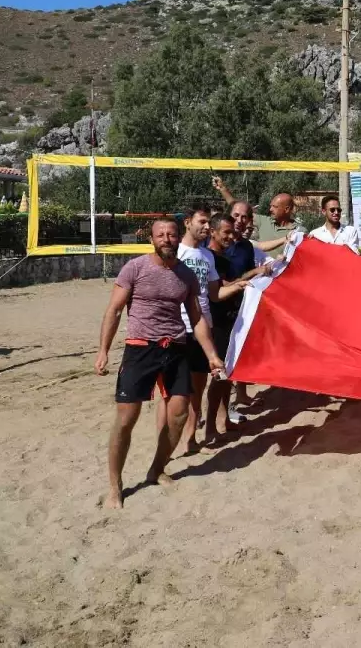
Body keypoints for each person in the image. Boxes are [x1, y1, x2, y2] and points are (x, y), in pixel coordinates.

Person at [95, 219, 224, 509]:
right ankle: (115, 486)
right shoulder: (136, 268)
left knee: (178, 414)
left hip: (175, 348)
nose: (166, 238)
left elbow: (196, 318)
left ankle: (157, 469)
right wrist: (103, 350)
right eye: (160, 234)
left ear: (179, 237)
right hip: (140, 349)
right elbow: (114, 310)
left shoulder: (186, 275)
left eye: (171, 234)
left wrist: (212, 354)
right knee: (127, 418)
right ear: (151, 238)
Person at [176, 205, 249, 454]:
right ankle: (172, 443)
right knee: (178, 392)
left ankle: (190, 438)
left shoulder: (206, 258)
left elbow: (215, 294)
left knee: (198, 387)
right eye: (203, 222)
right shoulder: (176, 252)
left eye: (208, 223)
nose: (207, 227)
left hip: (202, 328)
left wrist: (241, 285)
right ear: (188, 222)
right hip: (177, 328)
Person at [206, 213, 271, 444]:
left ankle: (222, 421)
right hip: (216, 322)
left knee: (227, 375)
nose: (231, 236)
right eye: (226, 232)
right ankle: (209, 428)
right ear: (213, 231)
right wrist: (250, 277)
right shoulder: (209, 257)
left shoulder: (223, 257)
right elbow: (222, 288)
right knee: (219, 377)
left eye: (232, 232)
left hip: (231, 318)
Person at [212, 177, 296, 258]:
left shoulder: (298, 231)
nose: (270, 209)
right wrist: (223, 188)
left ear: (287, 209)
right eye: (271, 206)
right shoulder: (264, 221)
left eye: (275, 206)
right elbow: (237, 207)